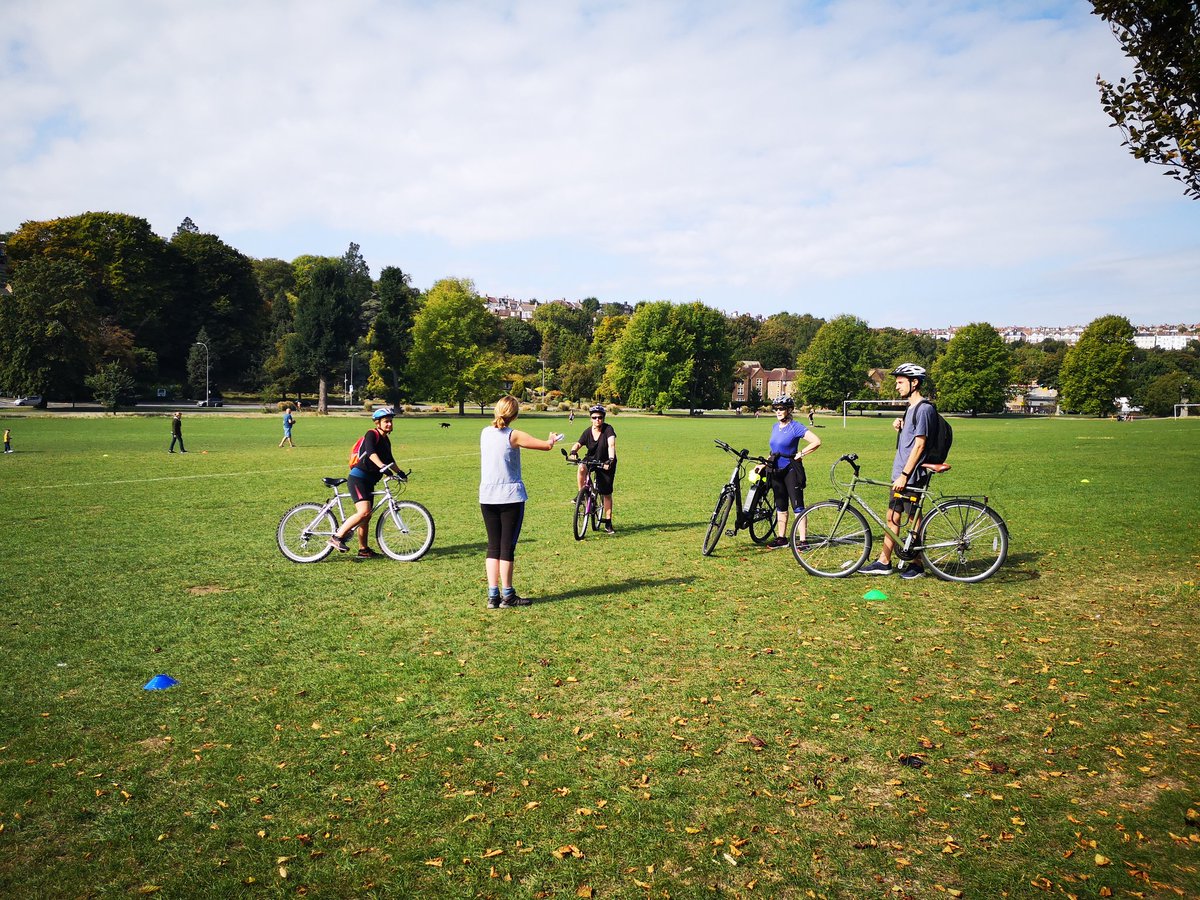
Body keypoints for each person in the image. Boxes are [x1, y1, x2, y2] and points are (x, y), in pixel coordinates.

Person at [480, 395, 563, 608]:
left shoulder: (485, 433)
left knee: (493, 547)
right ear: (514, 415)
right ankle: (507, 595)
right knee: (506, 548)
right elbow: (545, 446)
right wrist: (552, 439)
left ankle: (492, 595)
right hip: (510, 498)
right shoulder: (513, 435)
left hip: (487, 498)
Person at [861, 363, 934, 579]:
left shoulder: (924, 408)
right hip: (900, 474)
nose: (896, 386)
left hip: (910, 475)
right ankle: (884, 561)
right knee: (892, 516)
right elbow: (912, 437)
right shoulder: (911, 408)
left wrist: (905, 475)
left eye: (900, 382)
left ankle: (917, 563)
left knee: (913, 519)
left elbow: (920, 445)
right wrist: (902, 424)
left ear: (915, 383)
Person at [328, 407, 399, 559]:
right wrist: (382, 467)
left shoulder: (386, 440)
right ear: (377, 423)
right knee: (364, 512)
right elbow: (372, 453)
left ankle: (363, 550)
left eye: (391, 422)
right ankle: (337, 537)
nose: (389, 424)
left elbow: (390, 460)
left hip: (369, 481)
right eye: (386, 422)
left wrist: (399, 472)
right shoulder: (371, 434)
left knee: (366, 517)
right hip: (358, 478)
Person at [763, 397, 820, 549]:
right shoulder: (775, 427)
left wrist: (801, 453)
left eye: (781, 409)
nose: (778, 412)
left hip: (791, 470)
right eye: (776, 409)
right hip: (775, 469)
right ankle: (782, 539)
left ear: (789, 410)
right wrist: (763, 464)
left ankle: (803, 541)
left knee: (797, 506)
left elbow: (816, 441)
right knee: (780, 505)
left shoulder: (796, 427)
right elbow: (774, 450)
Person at [568, 404, 618, 534]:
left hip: (606, 461)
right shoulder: (587, 431)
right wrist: (573, 451)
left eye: (600, 417)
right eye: (594, 417)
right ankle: (582, 494)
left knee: (606, 493)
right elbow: (579, 443)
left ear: (603, 418)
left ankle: (608, 522)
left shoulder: (608, 430)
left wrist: (611, 459)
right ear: (590, 418)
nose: (597, 420)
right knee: (581, 467)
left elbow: (611, 444)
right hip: (591, 458)